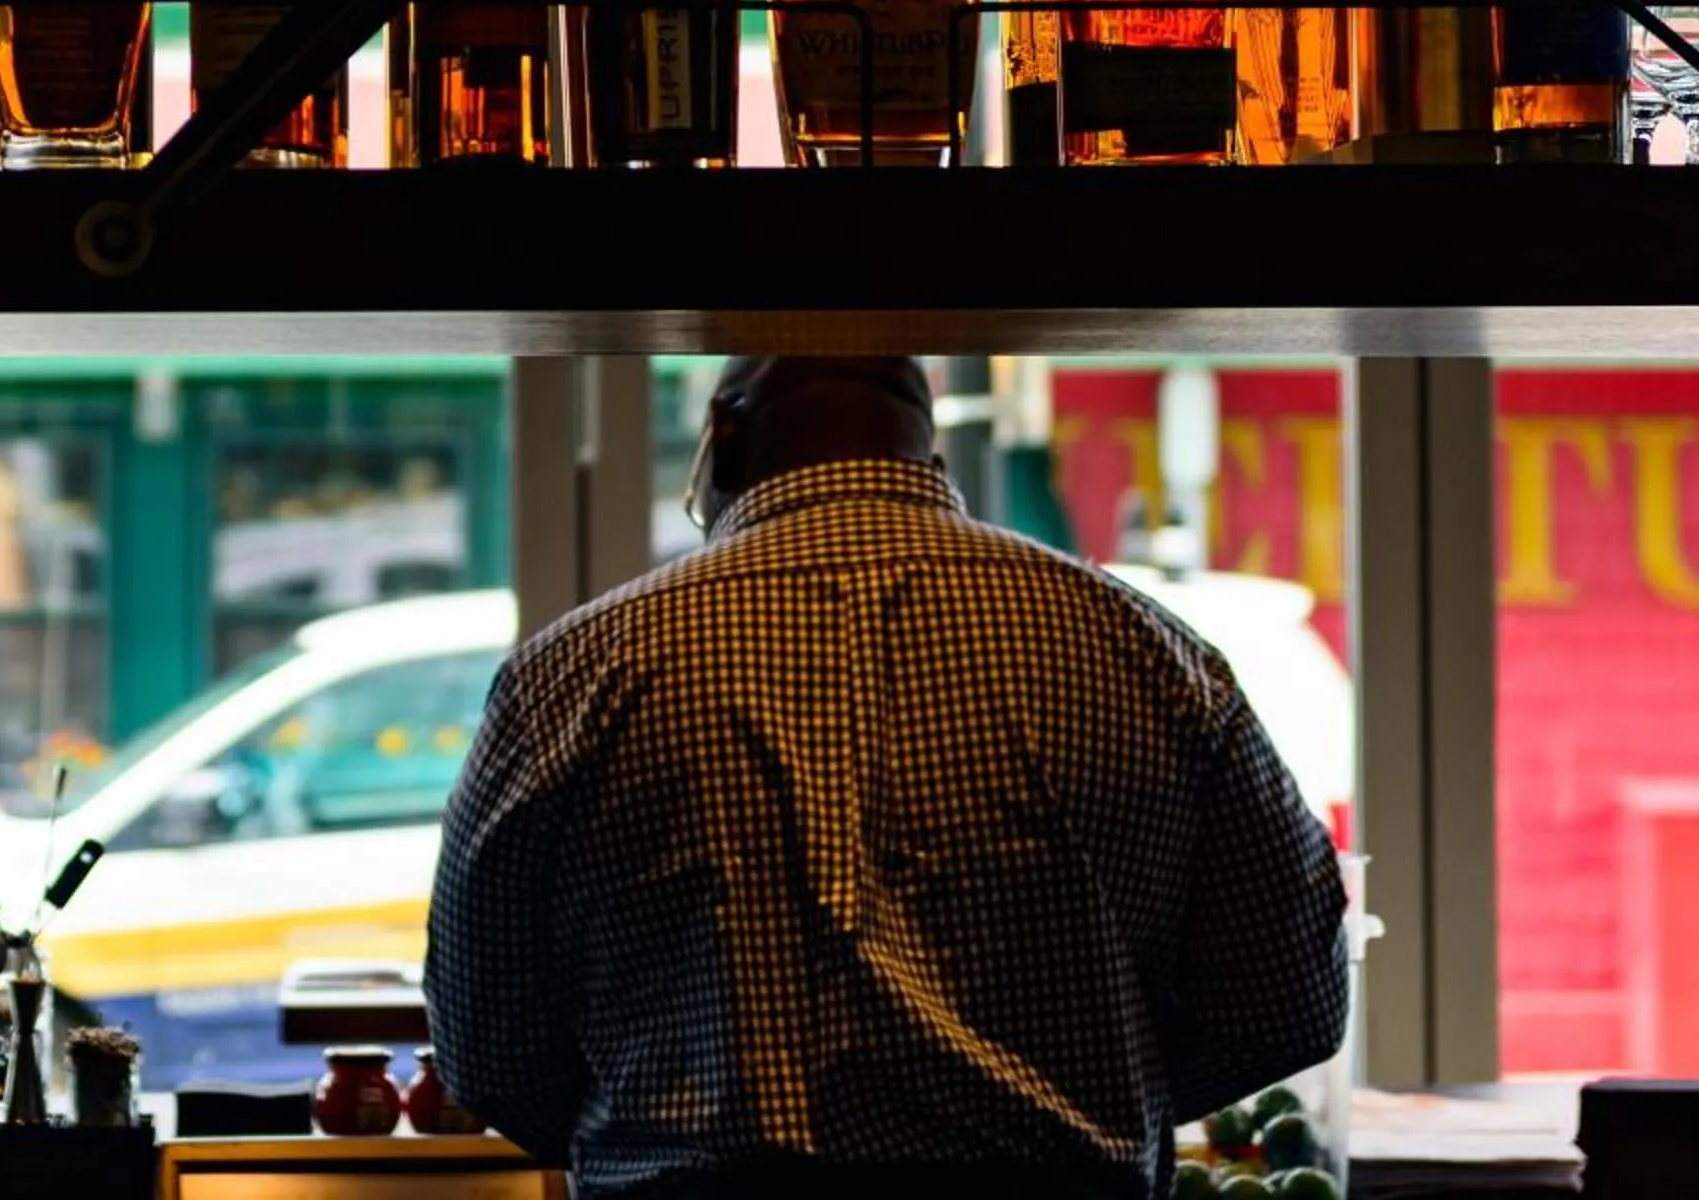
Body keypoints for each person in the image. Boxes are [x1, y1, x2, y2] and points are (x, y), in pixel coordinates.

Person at [423, 356, 1348, 1200]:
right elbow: (1289, 1004)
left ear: (727, 433)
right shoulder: (1147, 652)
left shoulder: (578, 673)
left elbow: (486, 1048)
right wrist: (1091, 1097)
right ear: (925, 440)